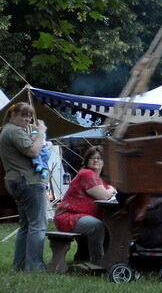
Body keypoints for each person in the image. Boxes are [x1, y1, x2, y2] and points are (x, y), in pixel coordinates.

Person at [0, 103, 50, 271]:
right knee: (38, 224)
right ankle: (35, 266)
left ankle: (19, 265)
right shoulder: (13, 131)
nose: (28, 119)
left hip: (15, 180)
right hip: (28, 181)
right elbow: (33, 152)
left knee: (26, 225)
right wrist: (41, 132)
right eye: (24, 115)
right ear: (12, 114)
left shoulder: (6, 130)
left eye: (29, 116)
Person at [53, 146, 117, 265]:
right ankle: (98, 262)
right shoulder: (87, 174)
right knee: (97, 226)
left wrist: (110, 189)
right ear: (86, 161)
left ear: (104, 161)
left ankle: (98, 258)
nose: (96, 160)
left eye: (99, 158)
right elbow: (103, 196)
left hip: (83, 217)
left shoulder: (101, 179)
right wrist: (112, 189)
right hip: (69, 216)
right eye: (92, 158)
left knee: (111, 226)